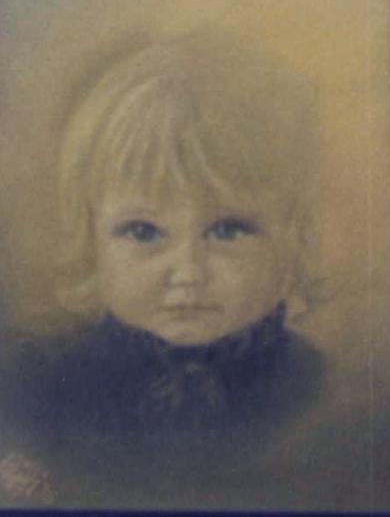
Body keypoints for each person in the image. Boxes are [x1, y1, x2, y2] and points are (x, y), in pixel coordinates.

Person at [0, 32, 325, 508]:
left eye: (227, 230)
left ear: (289, 238)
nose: (188, 273)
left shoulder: (320, 389)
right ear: (91, 243)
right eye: (144, 232)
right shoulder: (38, 388)